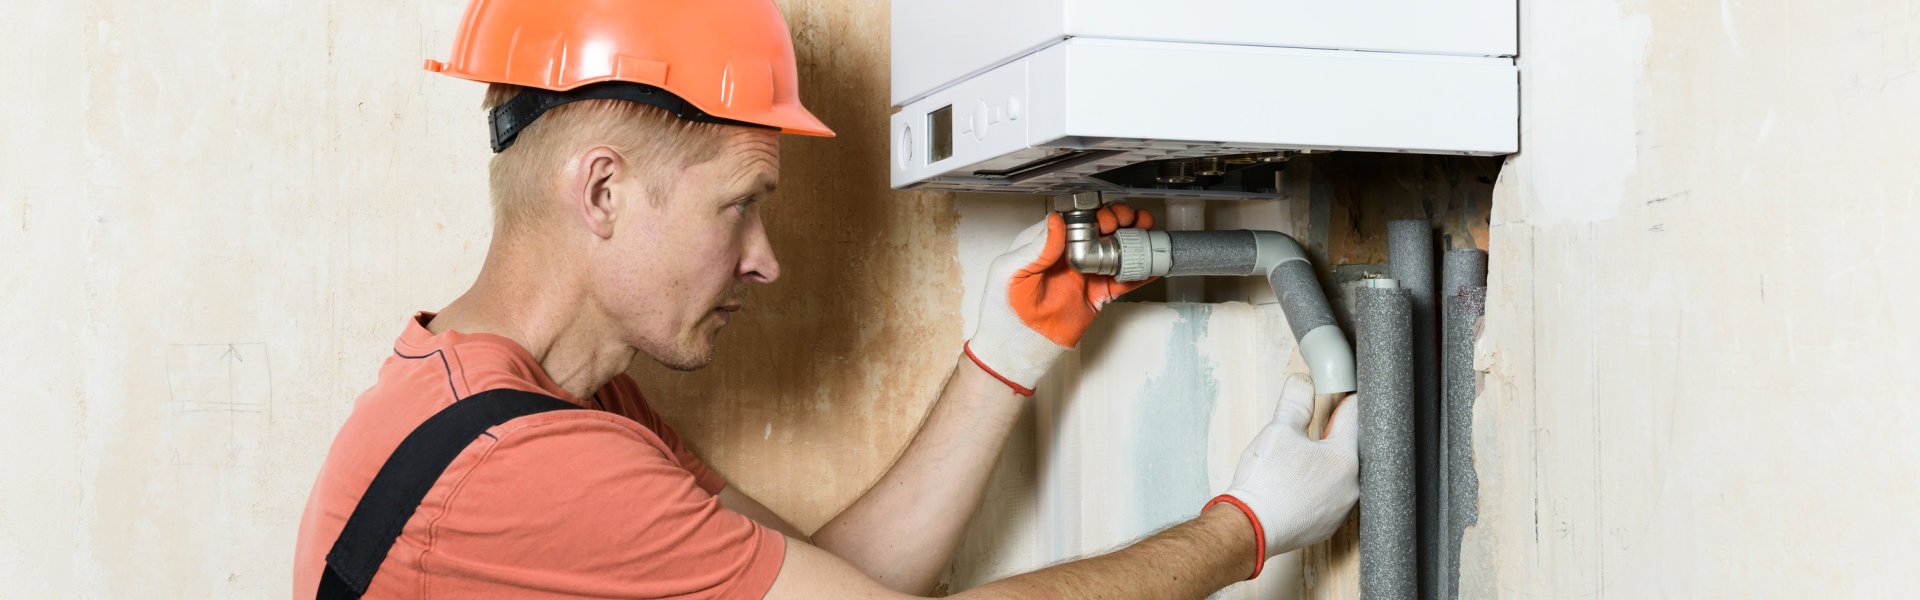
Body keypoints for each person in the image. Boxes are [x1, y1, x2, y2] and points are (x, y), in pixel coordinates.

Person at [292, 0, 1360, 598]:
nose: (765, 261)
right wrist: (1245, 531)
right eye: (740, 207)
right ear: (603, 190)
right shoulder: (523, 468)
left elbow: (829, 581)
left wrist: (1002, 360)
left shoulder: (536, 404)